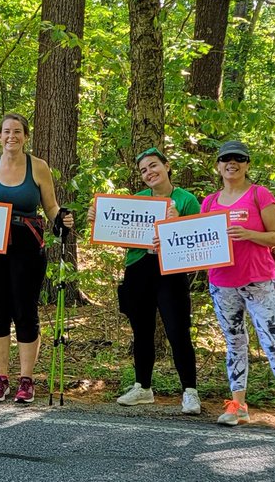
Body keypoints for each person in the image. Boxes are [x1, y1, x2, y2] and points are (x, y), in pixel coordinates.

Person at [203, 140, 275, 442]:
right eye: (226, 158)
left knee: (274, 344)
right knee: (234, 343)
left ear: (246, 164)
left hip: (260, 281)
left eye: (238, 159)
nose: (232, 163)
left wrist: (249, 234)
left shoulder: (259, 194)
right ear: (218, 166)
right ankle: (237, 403)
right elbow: (199, 241)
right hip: (222, 283)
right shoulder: (210, 201)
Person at [88, 147, 200, 414]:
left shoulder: (186, 200)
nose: (149, 173)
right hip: (138, 269)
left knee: (178, 330)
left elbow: (195, 240)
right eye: (143, 170)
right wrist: (97, 219)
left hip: (170, 271)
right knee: (141, 331)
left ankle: (190, 392)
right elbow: (116, 226)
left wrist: (177, 222)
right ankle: (143, 387)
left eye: (153, 166)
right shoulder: (137, 200)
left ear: (167, 166)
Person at [0, 113, 73, 404]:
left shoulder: (38, 167)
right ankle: (1, 378)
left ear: (26, 136)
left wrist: (61, 219)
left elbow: (51, 206)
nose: (11, 136)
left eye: (17, 131)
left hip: (27, 246)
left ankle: (26, 379)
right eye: (6, 132)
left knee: (25, 311)